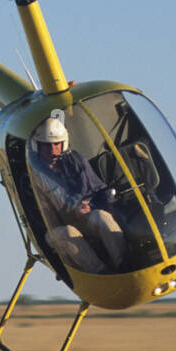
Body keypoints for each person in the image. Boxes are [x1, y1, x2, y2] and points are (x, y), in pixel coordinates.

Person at [30, 117, 127, 275]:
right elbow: (41, 216)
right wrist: (72, 213)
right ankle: (102, 274)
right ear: (38, 146)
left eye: (56, 144)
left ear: (64, 143)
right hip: (56, 229)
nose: (53, 150)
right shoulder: (32, 176)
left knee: (102, 216)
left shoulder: (75, 160)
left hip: (84, 218)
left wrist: (95, 208)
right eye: (47, 145)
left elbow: (98, 189)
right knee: (68, 232)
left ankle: (124, 266)